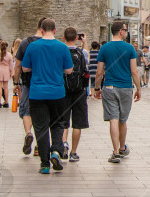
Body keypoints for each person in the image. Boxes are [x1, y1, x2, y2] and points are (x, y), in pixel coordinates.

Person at [21, 18, 73, 174]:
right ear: (55, 31)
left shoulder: (33, 46)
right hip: (57, 92)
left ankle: (44, 164)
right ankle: (56, 151)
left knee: (41, 127)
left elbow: (24, 68)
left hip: (37, 93)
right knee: (57, 124)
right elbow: (69, 70)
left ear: (41, 30)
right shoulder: (62, 47)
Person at [94, 21, 141, 164]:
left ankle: (115, 152)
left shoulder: (105, 48)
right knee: (122, 120)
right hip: (126, 87)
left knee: (113, 119)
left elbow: (99, 72)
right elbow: (134, 71)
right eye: (125, 30)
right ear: (120, 31)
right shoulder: (129, 48)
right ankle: (122, 147)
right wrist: (138, 88)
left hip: (109, 86)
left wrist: (96, 88)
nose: (126, 32)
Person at [13, 18, 45, 157]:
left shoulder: (25, 42)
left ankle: (28, 133)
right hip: (44, 82)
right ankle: (39, 145)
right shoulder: (49, 43)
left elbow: (18, 65)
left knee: (26, 110)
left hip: (27, 82)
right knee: (42, 113)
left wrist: (16, 82)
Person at [60, 27, 89, 162]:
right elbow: (86, 64)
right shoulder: (82, 52)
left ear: (64, 38)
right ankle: (73, 152)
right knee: (77, 123)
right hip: (79, 91)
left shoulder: (61, 51)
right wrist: (85, 43)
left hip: (64, 91)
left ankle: (64, 143)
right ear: (77, 38)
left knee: (63, 121)